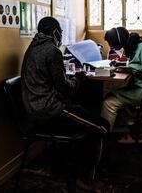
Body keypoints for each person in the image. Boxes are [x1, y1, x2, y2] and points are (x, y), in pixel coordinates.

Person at [21, 16, 112, 191]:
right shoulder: (52, 50)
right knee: (101, 127)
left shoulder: (31, 48)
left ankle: (79, 164)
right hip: (49, 110)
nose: (61, 35)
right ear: (55, 32)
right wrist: (77, 78)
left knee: (82, 112)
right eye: (60, 32)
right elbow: (66, 89)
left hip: (34, 110)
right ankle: (87, 179)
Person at [101, 27, 142, 141]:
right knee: (109, 93)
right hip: (138, 87)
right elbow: (136, 65)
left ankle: (104, 138)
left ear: (119, 41)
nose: (111, 47)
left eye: (112, 44)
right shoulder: (133, 47)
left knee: (109, 102)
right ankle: (133, 129)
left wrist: (132, 71)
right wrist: (123, 66)